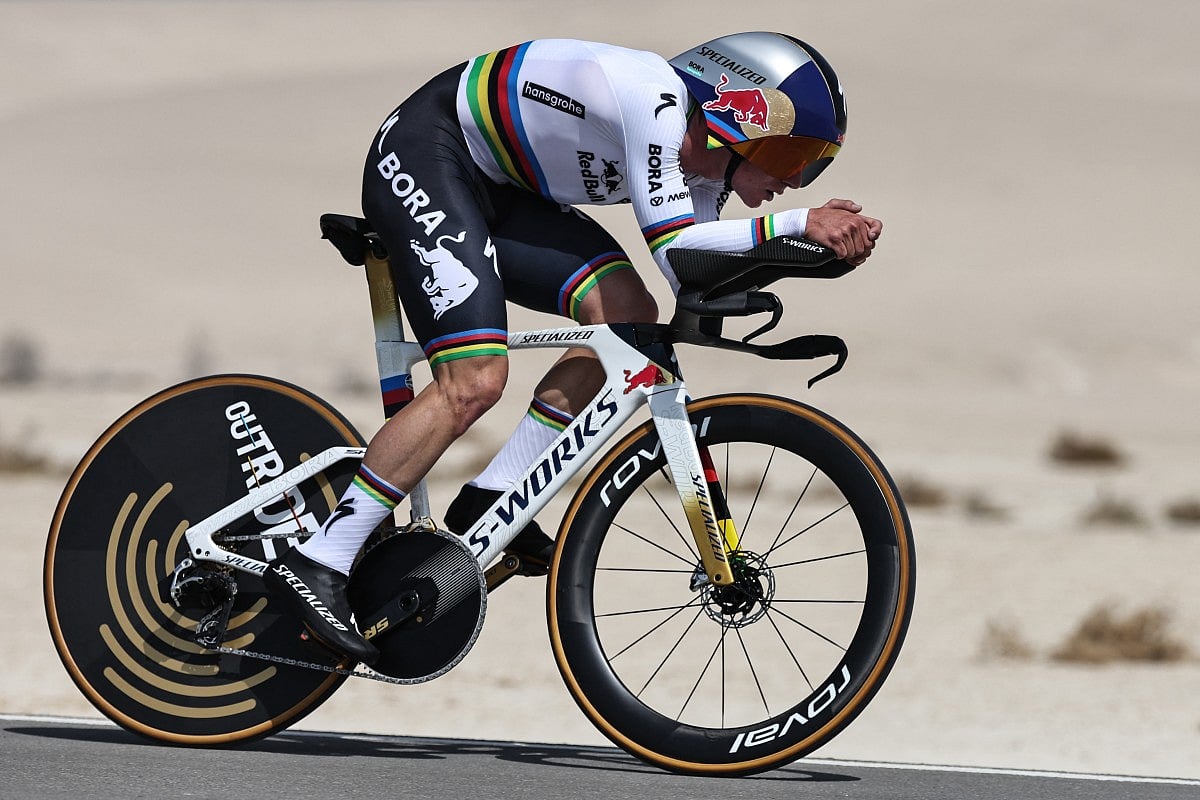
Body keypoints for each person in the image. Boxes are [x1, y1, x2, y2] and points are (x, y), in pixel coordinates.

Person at [264, 32, 882, 664]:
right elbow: (676, 246)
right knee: (474, 380)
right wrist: (799, 224)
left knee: (630, 320)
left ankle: (491, 495)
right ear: (741, 115)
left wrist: (813, 255)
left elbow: (689, 278)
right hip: (431, 153)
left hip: (501, 192)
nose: (797, 177)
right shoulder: (657, 101)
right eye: (793, 152)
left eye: (815, 163)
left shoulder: (702, 170)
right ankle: (321, 558)